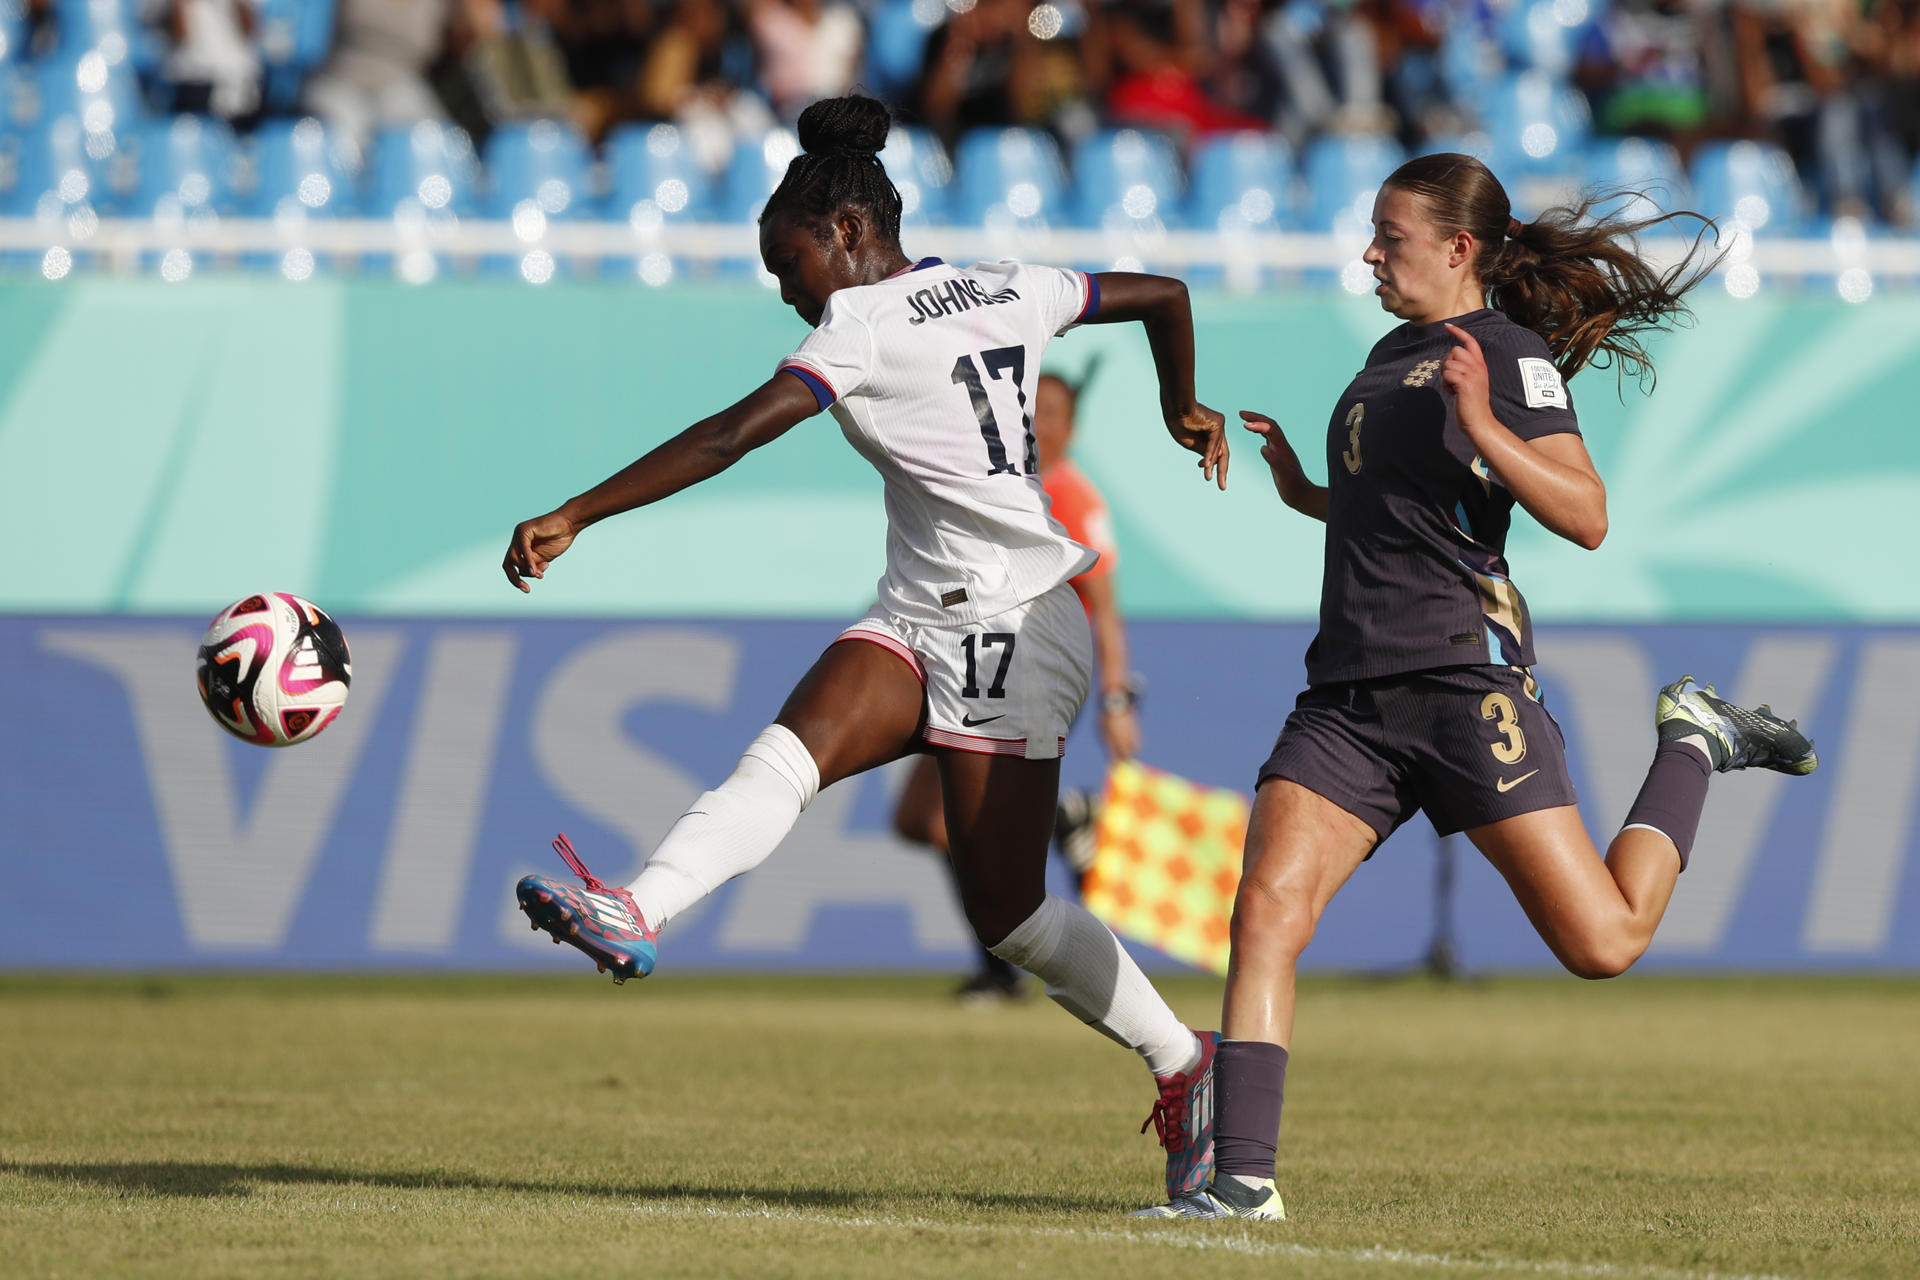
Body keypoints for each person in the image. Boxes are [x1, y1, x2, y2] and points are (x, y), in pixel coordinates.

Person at [504, 93, 1231, 1204]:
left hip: (1015, 621)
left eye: (787, 265)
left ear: (846, 233)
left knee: (1013, 915)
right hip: (919, 611)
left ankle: (1186, 1060)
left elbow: (728, 434)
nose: (786, 291)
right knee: (784, 758)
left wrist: (579, 510)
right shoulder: (1005, 280)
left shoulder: (859, 324)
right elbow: (1166, 294)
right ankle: (636, 910)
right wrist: (1186, 408)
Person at [1137, 152, 1819, 1221]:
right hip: (1351, 694)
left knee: (1604, 942)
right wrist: (1306, 492)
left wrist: (1492, 423)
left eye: (1389, 236)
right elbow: (1405, 513)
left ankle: (1692, 738)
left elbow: (1587, 517)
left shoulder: (1506, 355)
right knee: (1265, 906)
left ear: (1458, 248)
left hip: (1464, 682)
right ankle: (1242, 1184)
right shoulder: (1386, 353)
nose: (1368, 251)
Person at [891, 366, 1143, 1003]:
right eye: (1033, 411)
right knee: (921, 820)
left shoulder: (1073, 498)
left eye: (1054, 414)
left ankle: (999, 973)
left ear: (1072, 427)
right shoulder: (1001, 489)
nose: (1041, 425)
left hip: (1024, 672)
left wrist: (1116, 699)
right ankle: (1061, 823)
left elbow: (1105, 608)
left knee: (945, 821)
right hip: (966, 661)